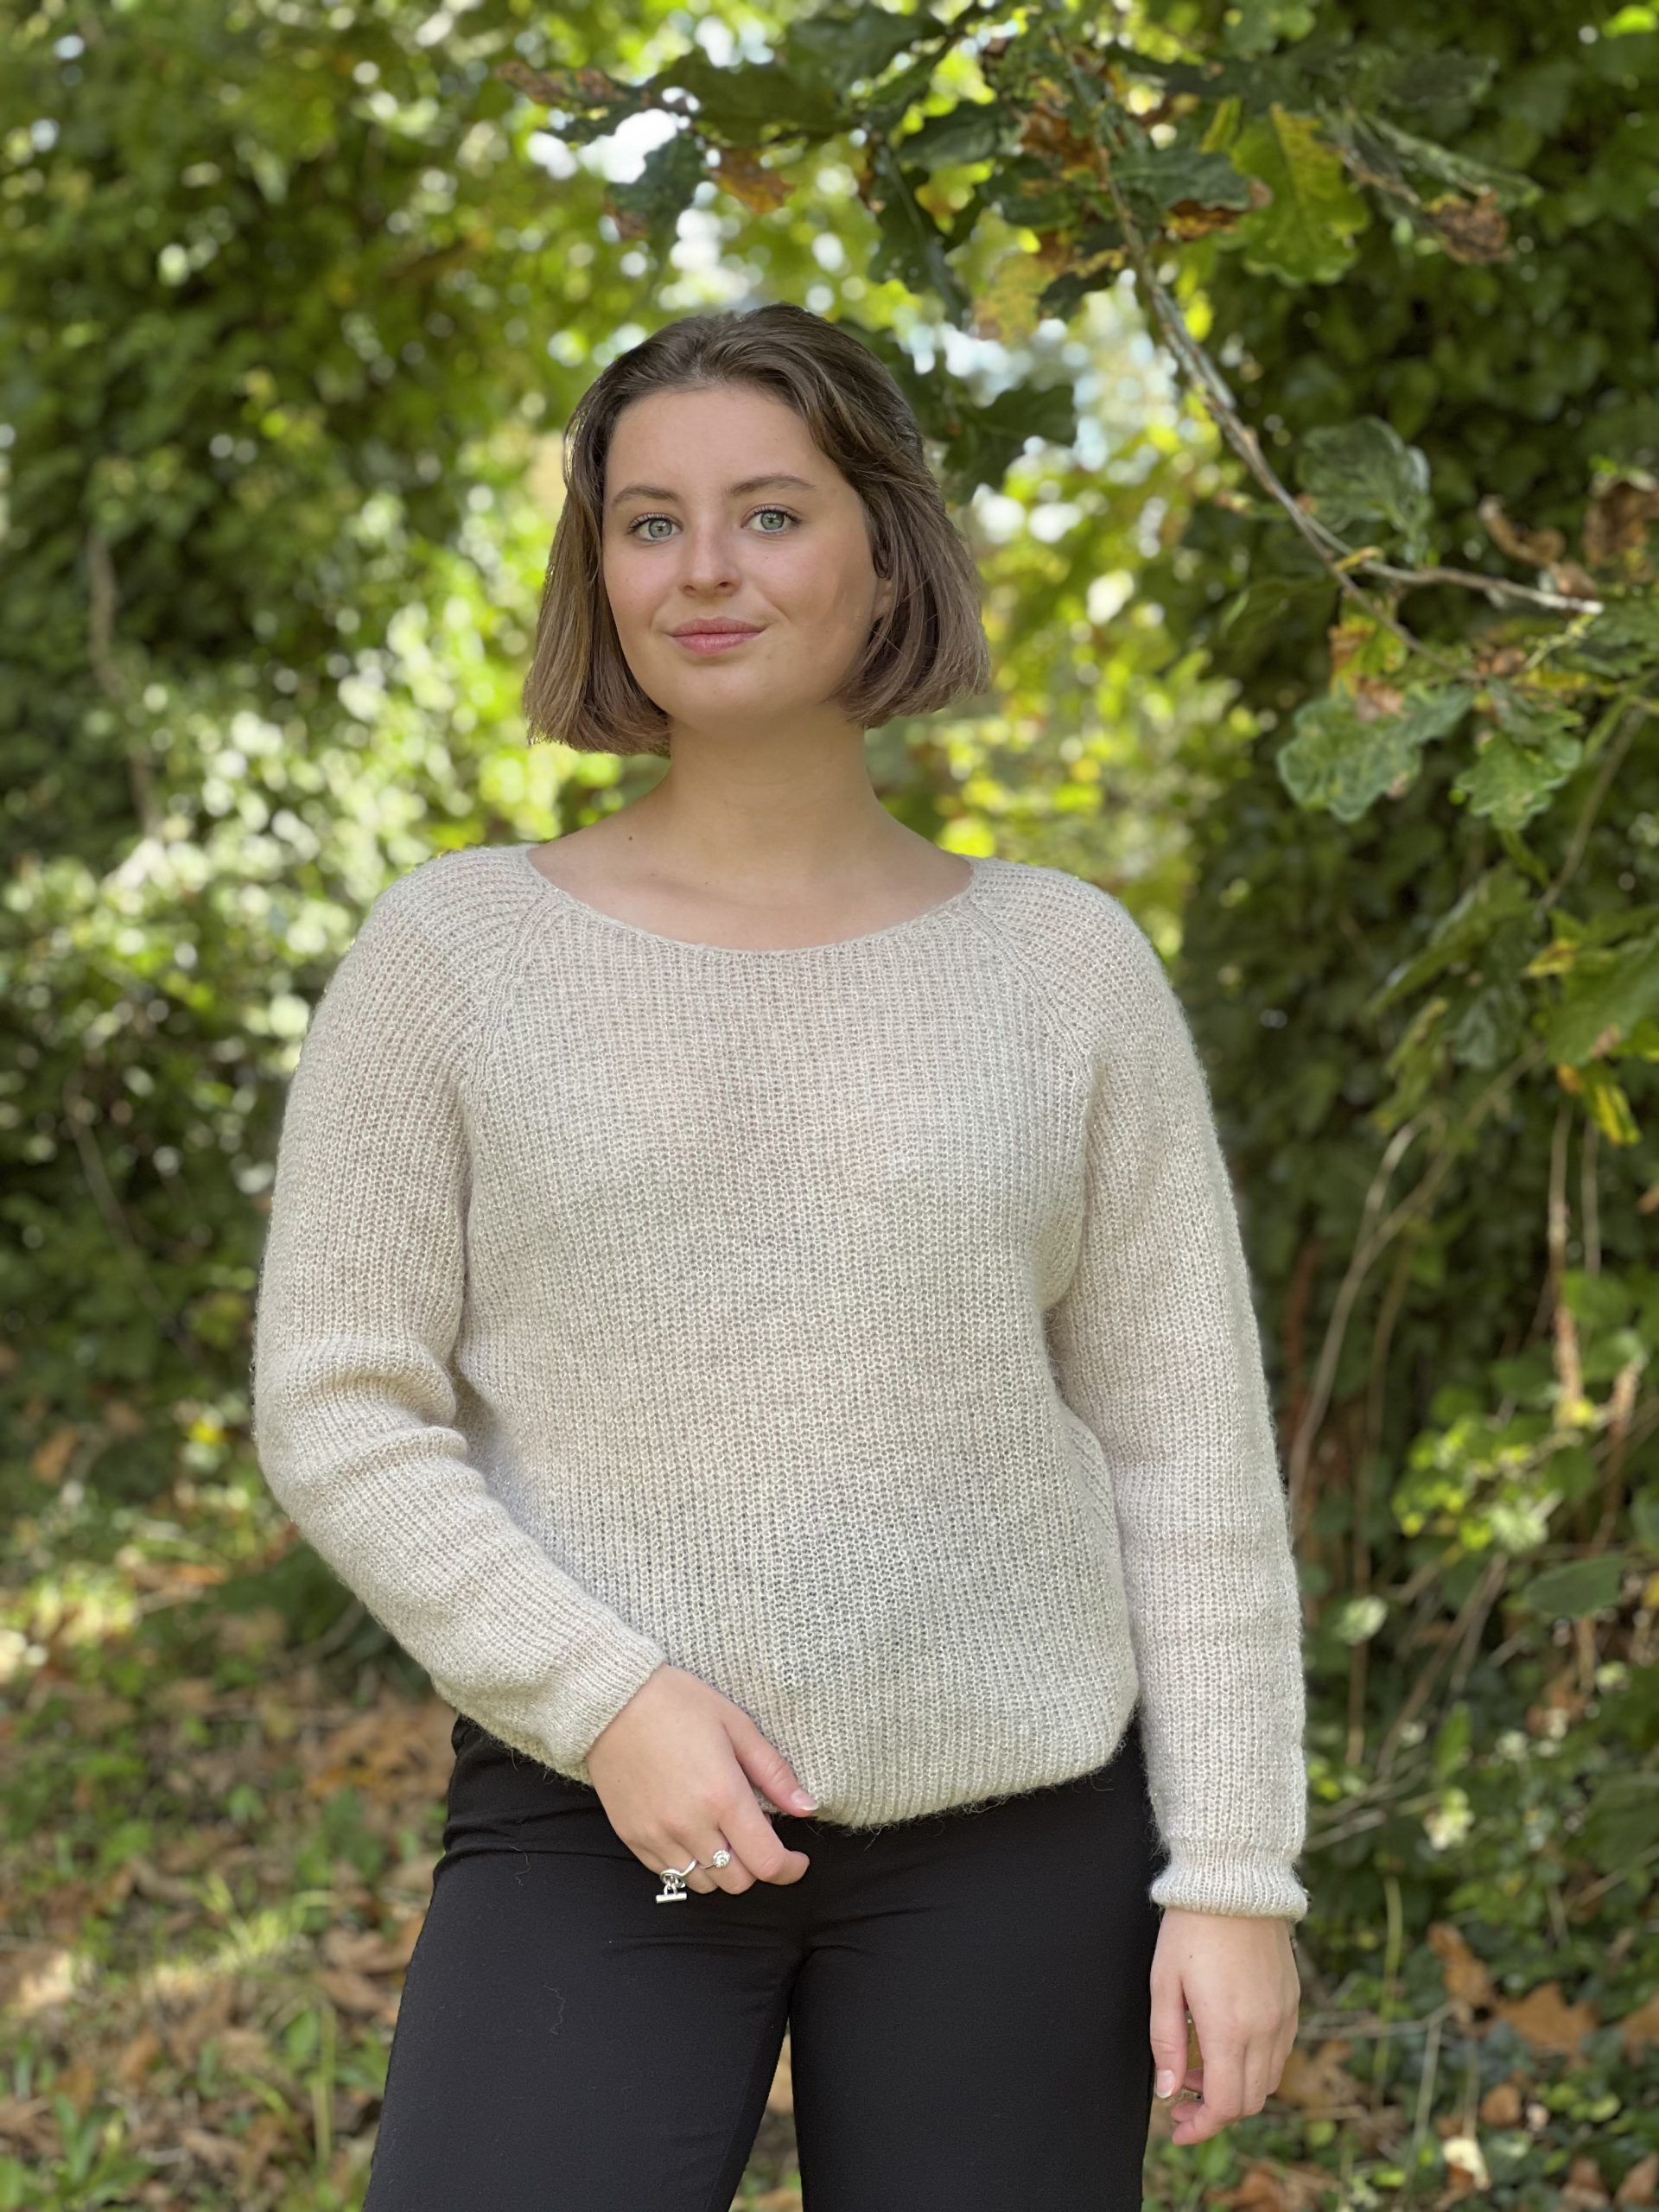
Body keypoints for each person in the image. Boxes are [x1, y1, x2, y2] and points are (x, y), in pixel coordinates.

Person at [251, 301, 1309, 2210]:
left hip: (1022, 1833)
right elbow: (340, 1402)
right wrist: (607, 1694)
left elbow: (1187, 1455)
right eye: (648, 522)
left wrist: (1232, 1872)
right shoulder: (454, 954)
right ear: (598, 571)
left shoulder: (1063, 969)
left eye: (768, 511)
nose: (704, 569)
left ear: (885, 547)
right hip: (599, 1820)